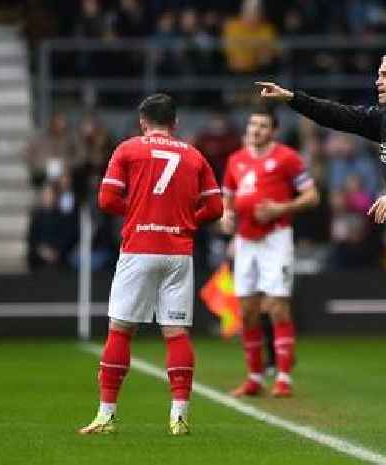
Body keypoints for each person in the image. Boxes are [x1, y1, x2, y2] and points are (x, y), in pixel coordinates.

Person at [256, 53, 386, 444]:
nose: (378, 81)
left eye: (385, 75)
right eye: (377, 74)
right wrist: (292, 98)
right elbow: (340, 115)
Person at [78, 94, 223, 435]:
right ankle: (179, 417)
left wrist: (139, 214)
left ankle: (106, 415)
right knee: (175, 332)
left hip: (140, 247)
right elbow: (216, 208)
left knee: (121, 329)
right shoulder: (194, 154)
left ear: (143, 121)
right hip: (178, 251)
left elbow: (107, 199)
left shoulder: (128, 149)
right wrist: (187, 221)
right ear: (175, 123)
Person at [221, 106, 319, 398]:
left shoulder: (286, 158)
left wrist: (281, 208)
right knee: (248, 312)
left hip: (276, 239)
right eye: (253, 125)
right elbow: (227, 196)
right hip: (246, 240)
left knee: (277, 308)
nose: (256, 130)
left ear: (273, 131)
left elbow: (312, 196)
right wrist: (225, 216)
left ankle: (284, 378)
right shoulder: (236, 160)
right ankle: (254, 377)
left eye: (262, 126)